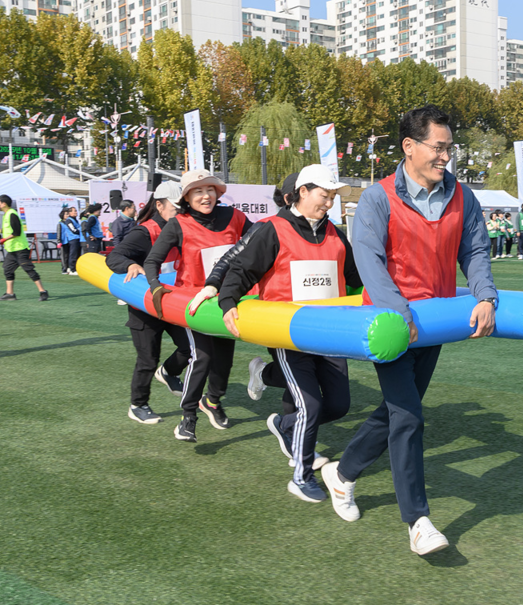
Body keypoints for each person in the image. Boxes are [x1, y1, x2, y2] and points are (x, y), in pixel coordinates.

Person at [321, 105, 496, 556]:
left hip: (435, 323)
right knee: (409, 417)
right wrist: (398, 314)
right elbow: (369, 261)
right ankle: (418, 521)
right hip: (389, 325)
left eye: (448, 148)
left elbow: (475, 250)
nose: (445, 157)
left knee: (400, 409)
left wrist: (484, 296)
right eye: (439, 148)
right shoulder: (378, 198)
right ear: (410, 147)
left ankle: (341, 475)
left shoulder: (463, 197)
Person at [218, 164, 360, 503]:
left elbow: (355, 275)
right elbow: (241, 268)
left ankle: (285, 425)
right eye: (324, 196)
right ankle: (301, 475)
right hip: (288, 331)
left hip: (330, 331)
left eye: (331, 198)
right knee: (310, 405)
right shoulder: (272, 229)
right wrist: (227, 301)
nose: (328, 204)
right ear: (302, 192)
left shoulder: (336, 234)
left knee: (339, 405)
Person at [144, 169, 254, 442]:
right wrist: (156, 286)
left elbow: (259, 244)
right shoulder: (177, 224)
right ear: (186, 197)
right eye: (197, 191)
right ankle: (188, 417)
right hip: (192, 302)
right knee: (202, 356)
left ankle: (213, 401)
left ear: (217, 192)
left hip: (226, 299)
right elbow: (152, 261)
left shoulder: (235, 217)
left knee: (224, 360)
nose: (205, 196)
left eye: (209, 190)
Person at [105, 182, 191, 424]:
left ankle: (168, 372)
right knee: (147, 359)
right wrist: (131, 265)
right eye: (176, 207)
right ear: (159, 205)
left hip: (172, 304)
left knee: (191, 348)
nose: (180, 211)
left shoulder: (184, 229)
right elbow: (114, 256)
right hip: (145, 308)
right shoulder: (144, 232)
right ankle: (138, 405)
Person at [0, 194, 48, 301]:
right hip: (12, 250)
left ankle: (43, 292)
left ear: (3, 203)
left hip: (20, 249)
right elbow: (7, 229)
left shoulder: (12, 214)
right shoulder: (6, 215)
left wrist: (3, 239)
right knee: (7, 269)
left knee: (28, 269)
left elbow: (16, 232)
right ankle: (10, 294)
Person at [60, 206, 83, 275]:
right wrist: (80, 231)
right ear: (70, 213)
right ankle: (72, 269)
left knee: (78, 254)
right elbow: (73, 230)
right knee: (73, 254)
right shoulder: (69, 220)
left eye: (76, 211)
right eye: (74, 211)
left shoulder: (75, 220)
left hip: (78, 239)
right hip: (73, 239)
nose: (76, 212)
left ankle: (76, 268)